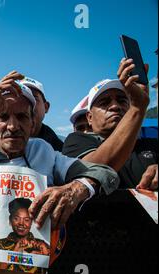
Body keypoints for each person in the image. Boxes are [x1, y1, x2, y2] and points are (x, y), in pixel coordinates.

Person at [0, 70, 119, 231]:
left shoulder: (45, 153)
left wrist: (76, 189)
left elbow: (104, 172)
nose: (12, 126)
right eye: (3, 117)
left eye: (21, 117)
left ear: (32, 123)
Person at [63, 58, 157, 190]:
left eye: (122, 100)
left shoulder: (153, 144)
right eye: (105, 102)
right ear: (90, 117)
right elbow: (93, 170)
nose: (115, 106)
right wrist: (137, 108)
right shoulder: (76, 141)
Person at [0, 198, 50, 273]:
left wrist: (45, 255)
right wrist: (15, 252)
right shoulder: (0, 244)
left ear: (31, 222)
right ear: (10, 220)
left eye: (26, 220)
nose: (21, 223)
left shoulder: (42, 246)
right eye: (16, 218)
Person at [20, 76, 64, 151]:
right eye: (22, 97)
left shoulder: (60, 150)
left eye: (34, 97)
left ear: (46, 107)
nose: (28, 103)